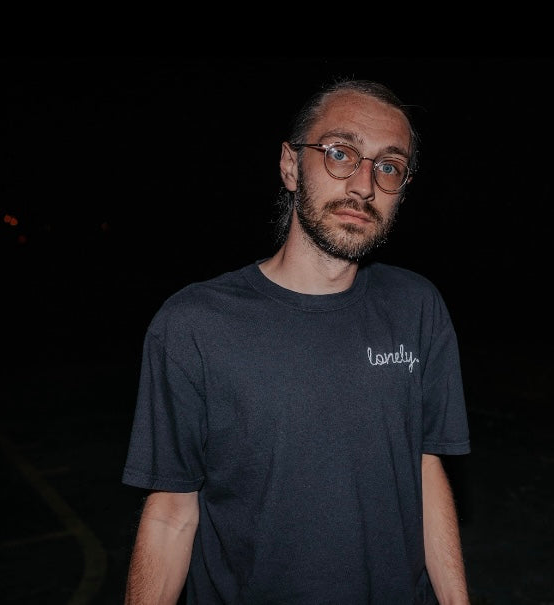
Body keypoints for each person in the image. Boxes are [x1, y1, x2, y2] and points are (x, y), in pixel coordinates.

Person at [122, 78, 472, 604]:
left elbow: (424, 468)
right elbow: (171, 513)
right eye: (340, 153)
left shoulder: (416, 306)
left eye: (388, 166)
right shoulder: (194, 324)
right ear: (290, 165)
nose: (363, 184)